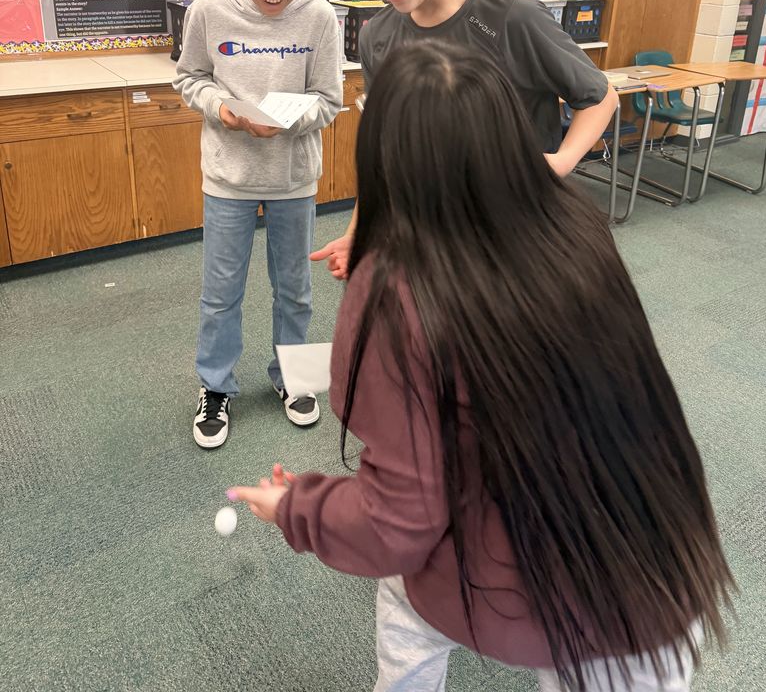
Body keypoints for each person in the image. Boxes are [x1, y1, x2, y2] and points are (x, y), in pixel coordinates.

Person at [230, 42, 733, 692]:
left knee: (407, 590)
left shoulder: (394, 292)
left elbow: (400, 521)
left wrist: (299, 508)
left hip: (565, 564)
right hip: (654, 543)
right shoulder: (574, 228)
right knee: (416, 596)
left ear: (387, 161)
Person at [311, 0, 619, 281]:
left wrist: (558, 163)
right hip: (429, 240)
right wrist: (361, 229)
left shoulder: (512, 17)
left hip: (514, 239)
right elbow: (382, 152)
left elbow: (600, 96)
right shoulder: (378, 35)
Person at [174, 0, 342, 447]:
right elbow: (190, 77)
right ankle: (215, 388)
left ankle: (296, 380)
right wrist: (223, 109)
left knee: (294, 289)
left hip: (293, 178)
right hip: (228, 178)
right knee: (220, 292)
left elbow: (328, 99)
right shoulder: (208, 10)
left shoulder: (320, 17)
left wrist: (286, 120)